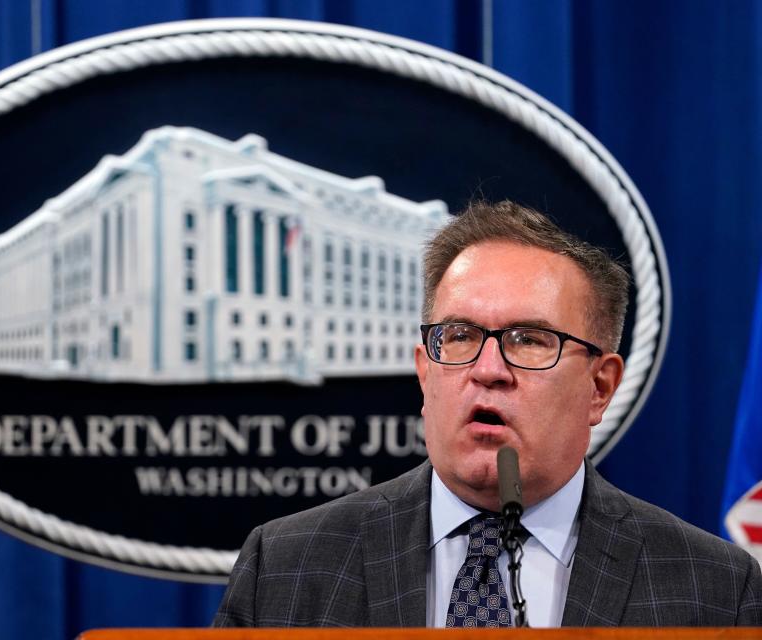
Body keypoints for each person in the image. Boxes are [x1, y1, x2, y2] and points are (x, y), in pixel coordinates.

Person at [213, 200, 762, 627]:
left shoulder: (713, 589)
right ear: (425, 372)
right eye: (458, 336)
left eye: (528, 340)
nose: (488, 368)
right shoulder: (285, 568)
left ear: (600, 386)